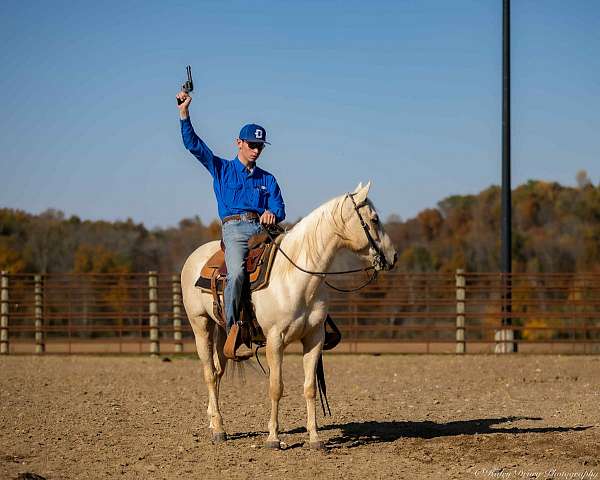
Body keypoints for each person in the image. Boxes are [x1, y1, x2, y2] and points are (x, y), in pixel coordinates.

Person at [176, 90, 285, 358]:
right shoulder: (221, 169)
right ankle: (234, 330)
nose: (256, 150)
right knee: (236, 274)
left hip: (264, 231)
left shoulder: (268, 179)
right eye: (251, 145)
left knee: (296, 261)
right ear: (239, 143)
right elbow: (194, 146)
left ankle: (312, 321)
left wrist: (272, 214)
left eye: (260, 146)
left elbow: (279, 209)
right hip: (235, 231)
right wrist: (184, 114)